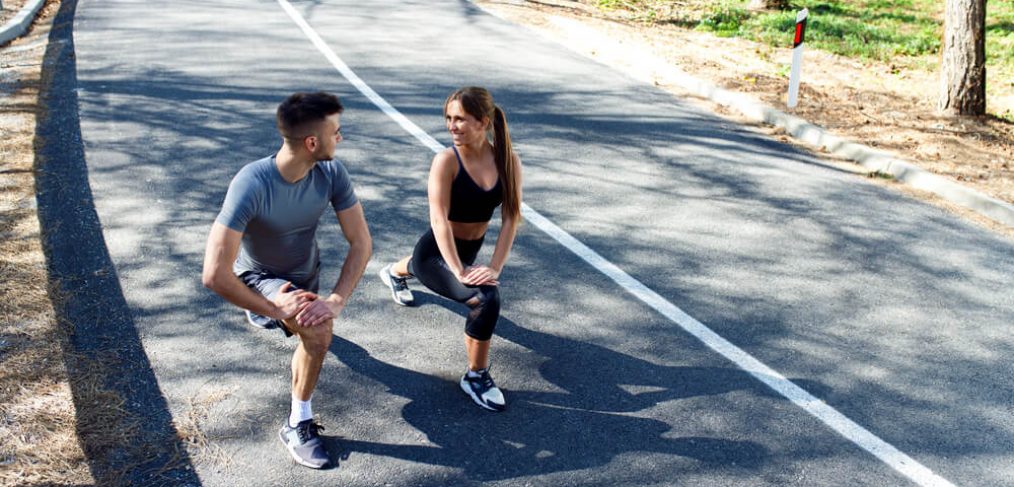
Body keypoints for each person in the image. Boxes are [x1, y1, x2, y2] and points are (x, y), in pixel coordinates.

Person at [202, 92, 371, 469]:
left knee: (315, 321)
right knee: (319, 332)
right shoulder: (252, 183)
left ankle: (286, 319)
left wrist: (337, 298)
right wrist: (273, 306)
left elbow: (361, 243)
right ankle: (298, 422)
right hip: (261, 278)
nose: (340, 139)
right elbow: (214, 273)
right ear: (312, 142)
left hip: (307, 274)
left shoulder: (331, 173)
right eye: (336, 132)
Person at [378, 86, 522, 412]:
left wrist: (495, 267)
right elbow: (439, 220)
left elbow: (511, 217)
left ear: (483, 122)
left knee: (422, 268)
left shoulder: (507, 161)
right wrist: (458, 269)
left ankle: (393, 272)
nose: (452, 126)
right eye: (448, 118)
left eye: (460, 119)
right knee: (485, 299)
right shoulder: (446, 161)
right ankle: (476, 376)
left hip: (468, 250)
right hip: (436, 252)